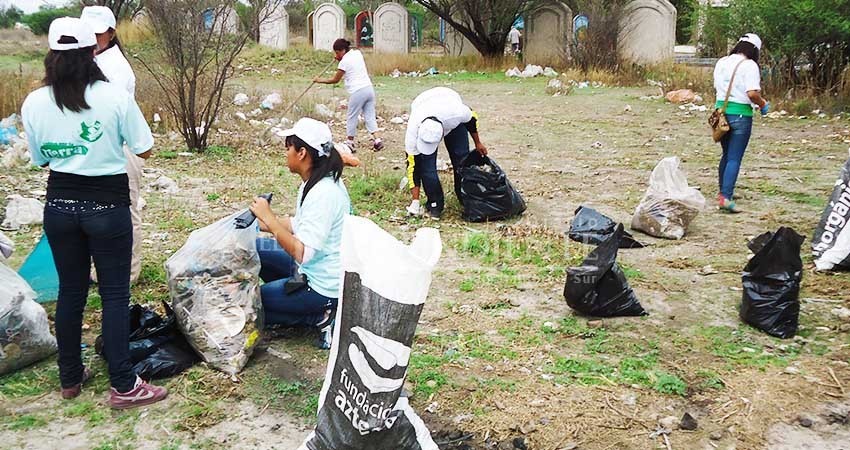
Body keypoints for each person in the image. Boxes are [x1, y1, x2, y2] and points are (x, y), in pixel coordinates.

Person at [21, 17, 167, 408]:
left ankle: (70, 377)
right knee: (114, 295)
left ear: (51, 55)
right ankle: (123, 383)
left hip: (60, 206)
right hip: (107, 206)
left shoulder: (34, 102)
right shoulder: (113, 96)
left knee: (71, 292)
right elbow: (145, 148)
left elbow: (39, 159)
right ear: (92, 51)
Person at [249, 118, 350, 349]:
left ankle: (320, 315)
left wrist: (272, 221)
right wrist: (258, 223)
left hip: (322, 285)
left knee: (252, 305)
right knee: (253, 247)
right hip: (311, 268)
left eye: (288, 148)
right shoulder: (313, 183)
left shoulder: (324, 194)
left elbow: (303, 253)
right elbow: (299, 224)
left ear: (302, 152)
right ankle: (301, 306)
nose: (286, 154)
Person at [80, 6, 145, 284]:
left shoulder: (116, 67)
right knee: (97, 210)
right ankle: (100, 268)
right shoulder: (89, 60)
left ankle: (128, 272)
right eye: (88, 33)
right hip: (98, 143)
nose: (93, 38)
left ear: (111, 32)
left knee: (125, 207)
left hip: (121, 144)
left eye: (98, 33)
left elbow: (111, 113)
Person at [404, 87, 488, 219]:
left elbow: (472, 119)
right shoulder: (412, 133)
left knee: (461, 159)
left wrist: (478, 143)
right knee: (427, 168)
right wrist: (415, 201)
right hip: (423, 103)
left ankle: (466, 198)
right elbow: (412, 167)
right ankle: (435, 205)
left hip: (449, 99)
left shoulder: (456, 113)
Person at [713, 33, 769, 213]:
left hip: (721, 113)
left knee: (726, 154)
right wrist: (763, 104)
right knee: (734, 157)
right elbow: (752, 93)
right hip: (741, 115)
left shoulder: (722, 62)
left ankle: (723, 191)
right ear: (755, 50)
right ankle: (725, 197)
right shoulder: (750, 65)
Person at [314, 38, 383, 152]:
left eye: (337, 52)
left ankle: (350, 142)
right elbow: (351, 64)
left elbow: (335, 80)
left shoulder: (344, 62)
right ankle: (377, 140)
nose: (336, 55)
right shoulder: (357, 54)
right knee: (369, 116)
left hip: (358, 91)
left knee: (352, 116)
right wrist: (339, 58)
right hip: (369, 89)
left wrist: (319, 80)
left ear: (343, 50)